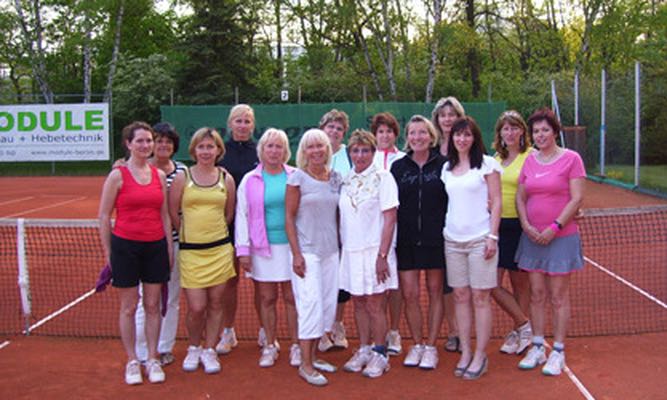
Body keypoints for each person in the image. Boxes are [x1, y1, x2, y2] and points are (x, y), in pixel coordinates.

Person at [98, 121, 172, 385]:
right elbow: (104, 215)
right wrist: (108, 251)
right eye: (139, 141)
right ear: (128, 144)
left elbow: (164, 215)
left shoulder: (159, 176)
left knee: (153, 306)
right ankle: (132, 360)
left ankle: (152, 358)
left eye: (149, 140)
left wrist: (168, 247)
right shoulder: (117, 176)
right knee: (129, 307)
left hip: (155, 247)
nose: (145, 145)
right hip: (125, 247)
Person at [515, 108, 585, 376]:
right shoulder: (529, 161)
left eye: (545, 130)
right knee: (536, 294)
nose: (540, 135)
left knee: (558, 296)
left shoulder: (571, 159)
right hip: (532, 237)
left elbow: (577, 198)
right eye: (536, 131)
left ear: (555, 132)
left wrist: (555, 228)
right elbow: (521, 197)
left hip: (561, 238)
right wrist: (526, 225)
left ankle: (558, 350)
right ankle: (537, 346)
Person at [169, 128, 236, 375]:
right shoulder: (182, 177)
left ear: (218, 150)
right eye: (201, 147)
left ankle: (209, 350)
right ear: (194, 150)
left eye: (210, 146)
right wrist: (189, 234)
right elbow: (173, 211)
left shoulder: (226, 179)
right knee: (197, 307)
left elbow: (229, 214)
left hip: (219, 250)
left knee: (216, 303)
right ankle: (194, 347)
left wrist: (213, 234)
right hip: (191, 252)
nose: (206, 151)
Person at [441, 116, 502, 380]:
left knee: (480, 297)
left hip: (481, 239)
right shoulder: (446, 168)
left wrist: (492, 236)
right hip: (452, 240)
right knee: (460, 296)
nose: (462, 139)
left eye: (467, 134)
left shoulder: (487, 164)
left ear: (474, 137)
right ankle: (465, 352)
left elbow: (496, 201)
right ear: (452, 138)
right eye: (458, 134)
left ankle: (480, 354)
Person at [235, 128, 300, 368]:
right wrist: (243, 251)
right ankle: (270, 345)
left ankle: (297, 346)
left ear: (285, 151)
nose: (274, 151)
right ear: (262, 150)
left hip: (292, 248)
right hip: (262, 248)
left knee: (292, 297)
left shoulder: (296, 176)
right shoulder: (249, 180)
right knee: (267, 298)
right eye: (269, 146)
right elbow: (241, 215)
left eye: (279, 146)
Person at [339, 130, 399, 378]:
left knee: (375, 304)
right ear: (349, 153)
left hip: (376, 252)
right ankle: (364, 349)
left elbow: (390, 219)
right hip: (351, 252)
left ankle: (380, 353)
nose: (360, 155)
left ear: (373, 152)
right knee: (359, 302)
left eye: (365, 150)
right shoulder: (345, 180)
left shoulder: (384, 178)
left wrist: (382, 256)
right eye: (355, 150)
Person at [285, 128, 342, 386]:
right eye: (311, 146)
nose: (316, 151)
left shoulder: (336, 178)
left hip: (331, 253)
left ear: (327, 149)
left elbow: (338, 215)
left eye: (320, 146)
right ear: (304, 152)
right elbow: (289, 218)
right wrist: (297, 254)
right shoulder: (297, 178)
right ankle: (305, 365)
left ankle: (315, 357)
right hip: (307, 254)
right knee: (310, 306)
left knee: (327, 306)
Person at [390, 115, 445, 370]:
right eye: (412, 133)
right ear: (407, 137)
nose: (417, 137)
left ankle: (431, 346)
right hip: (406, 239)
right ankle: (417, 344)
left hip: (436, 239)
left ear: (431, 136)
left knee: (435, 291)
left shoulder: (444, 165)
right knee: (410, 294)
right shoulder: (398, 168)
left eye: (422, 132)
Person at [134, 122, 185, 367]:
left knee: (172, 298)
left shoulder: (182, 171)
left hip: (174, 243)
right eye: (159, 140)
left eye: (168, 141)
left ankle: (164, 347)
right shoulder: (136, 170)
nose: (164, 145)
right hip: (145, 243)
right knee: (146, 299)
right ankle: (143, 350)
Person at [215, 104, 262, 354]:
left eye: (247, 121)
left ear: (253, 125)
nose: (243, 126)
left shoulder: (261, 152)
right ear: (230, 123)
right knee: (229, 282)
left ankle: (265, 330)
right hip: (228, 226)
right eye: (238, 121)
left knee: (262, 282)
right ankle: (228, 331)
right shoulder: (219, 152)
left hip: (258, 227)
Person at [491, 111, 533, 355]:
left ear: (522, 131)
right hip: (497, 226)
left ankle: (518, 333)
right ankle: (524, 325)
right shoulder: (495, 159)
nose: (510, 133)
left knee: (520, 284)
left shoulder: (532, 156)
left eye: (514, 128)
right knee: (491, 283)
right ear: (500, 133)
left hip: (521, 225)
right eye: (505, 129)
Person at [431, 96, 465, 353]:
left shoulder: (467, 146)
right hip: (435, 224)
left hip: (462, 223)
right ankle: (453, 330)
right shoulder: (430, 148)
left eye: (451, 114)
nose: (447, 119)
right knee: (444, 282)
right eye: (443, 115)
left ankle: (462, 331)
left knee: (461, 282)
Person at [370, 112, 405, 355]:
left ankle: (394, 331)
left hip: (399, 230)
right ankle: (377, 334)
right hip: (372, 233)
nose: (385, 135)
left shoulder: (403, 160)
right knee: (376, 285)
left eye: (389, 131)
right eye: (380, 131)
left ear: (395, 134)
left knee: (395, 284)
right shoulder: (366, 159)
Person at [317, 109, 351, 351]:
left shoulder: (349, 155)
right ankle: (320, 329)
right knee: (319, 280)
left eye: (339, 128)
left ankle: (337, 325)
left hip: (345, 229)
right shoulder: (314, 153)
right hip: (318, 229)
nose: (335, 131)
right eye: (331, 127)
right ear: (322, 129)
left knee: (340, 283)